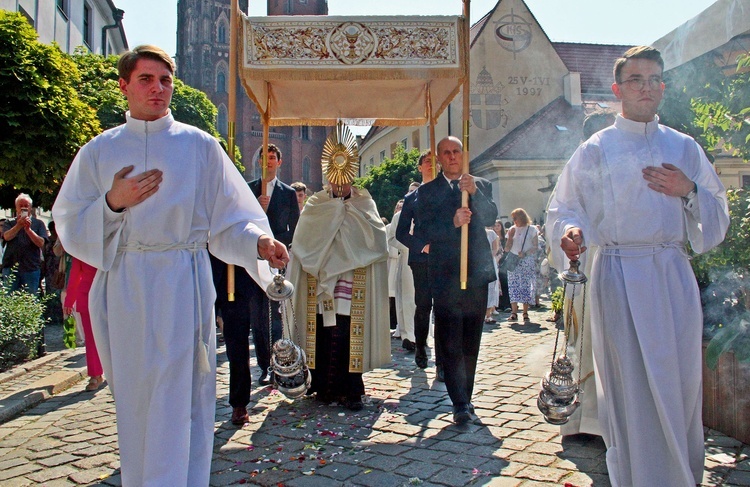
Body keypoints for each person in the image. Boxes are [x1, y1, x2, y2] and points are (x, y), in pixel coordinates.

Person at [51, 45, 289, 486]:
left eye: (165, 81)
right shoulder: (100, 151)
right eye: (146, 79)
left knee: (183, 394)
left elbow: (228, 220)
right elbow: (67, 222)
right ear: (124, 85)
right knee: (136, 396)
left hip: (183, 280)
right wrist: (112, 204)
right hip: (125, 283)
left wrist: (259, 243)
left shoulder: (200, 146)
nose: (158, 89)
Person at [546, 46, 729, 486]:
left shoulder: (683, 147)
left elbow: (717, 213)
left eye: (655, 80)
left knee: (680, 383)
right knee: (629, 386)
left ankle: (682, 475)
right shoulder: (596, 149)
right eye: (636, 80)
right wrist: (570, 233)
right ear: (617, 90)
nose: (647, 88)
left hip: (671, 274)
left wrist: (689, 190)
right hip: (618, 274)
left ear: (663, 86)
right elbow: (564, 208)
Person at [288, 175, 391, 412]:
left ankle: (351, 389)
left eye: (345, 179)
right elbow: (303, 240)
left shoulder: (364, 203)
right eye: (336, 179)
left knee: (347, 334)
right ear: (328, 178)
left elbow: (377, 241)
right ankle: (323, 387)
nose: (340, 185)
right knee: (323, 334)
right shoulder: (316, 204)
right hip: (322, 280)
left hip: (352, 282)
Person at [215, 143, 300, 426]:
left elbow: (248, 226)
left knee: (265, 323)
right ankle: (239, 401)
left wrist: (263, 234)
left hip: (252, 270)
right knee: (235, 340)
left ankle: (270, 365)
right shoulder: (222, 189)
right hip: (221, 275)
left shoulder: (241, 192)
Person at [417, 136, 498, 424]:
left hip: (475, 271)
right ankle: (459, 401)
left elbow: (490, 217)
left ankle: (468, 393)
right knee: (450, 338)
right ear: (438, 158)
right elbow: (423, 231)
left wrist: (474, 193)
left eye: (457, 151)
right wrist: (451, 223)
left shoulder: (480, 185)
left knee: (471, 339)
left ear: (464, 154)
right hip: (446, 274)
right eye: (446, 153)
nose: (452, 156)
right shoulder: (428, 192)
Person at [395, 151, 444, 379]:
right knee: (423, 305)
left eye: (435, 162)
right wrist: (422, 246)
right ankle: (421, 346)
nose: (431, 166)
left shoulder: (449, 192)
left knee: (445, 307)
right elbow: (401, 232)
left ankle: (443, 358)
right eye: (427, 162)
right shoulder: (411, 198)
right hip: (422, 259)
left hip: (446, 258)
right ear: (420, 168)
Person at [63, 257, 105, 391]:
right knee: (91, 338)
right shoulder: (80, 246)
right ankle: (95, 374)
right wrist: (69, 300)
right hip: (86, 295)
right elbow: (75, 274)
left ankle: (116, 372)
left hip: (109, 293)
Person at [2, 194, 49, 294]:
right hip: (11, 268)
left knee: (30, 300)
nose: (23, 207)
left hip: (31, 268)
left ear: (30, 208)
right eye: (20, 205)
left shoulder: (39, 223)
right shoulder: (9, 222)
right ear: (16, 207)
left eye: (26, 205)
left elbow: (41, 243)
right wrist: (18, 225)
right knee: (9, 300)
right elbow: (6, 237)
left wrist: (28, 230)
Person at [388, 192, 417, 350]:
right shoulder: (399, 217)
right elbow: (391, 238)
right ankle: (408, 335)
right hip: (406, 260)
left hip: (424, 258)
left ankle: (421, 334)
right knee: (405, 299)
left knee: (422, 302)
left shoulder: (426, 212)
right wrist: (407, 247)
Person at [504, 208, 538, 323]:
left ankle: (525, 312)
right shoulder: (512, 230)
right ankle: (514, 312)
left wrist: (526, 253)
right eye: (512, 218)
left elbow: (535, 246)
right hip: (513, 260)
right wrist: (510, 238)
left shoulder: (531, 229)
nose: (514, 221)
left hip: (526, 260)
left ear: (521, 218)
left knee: (525, 285)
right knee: (513, 285)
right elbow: (507, 249)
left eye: (515, 218)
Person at [484, 226, 500, 323]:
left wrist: (488, 258)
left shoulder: (491, 233)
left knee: (491, 287)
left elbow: (495, 248)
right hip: (475, 263)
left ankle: (488, 314)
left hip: (489, 262)